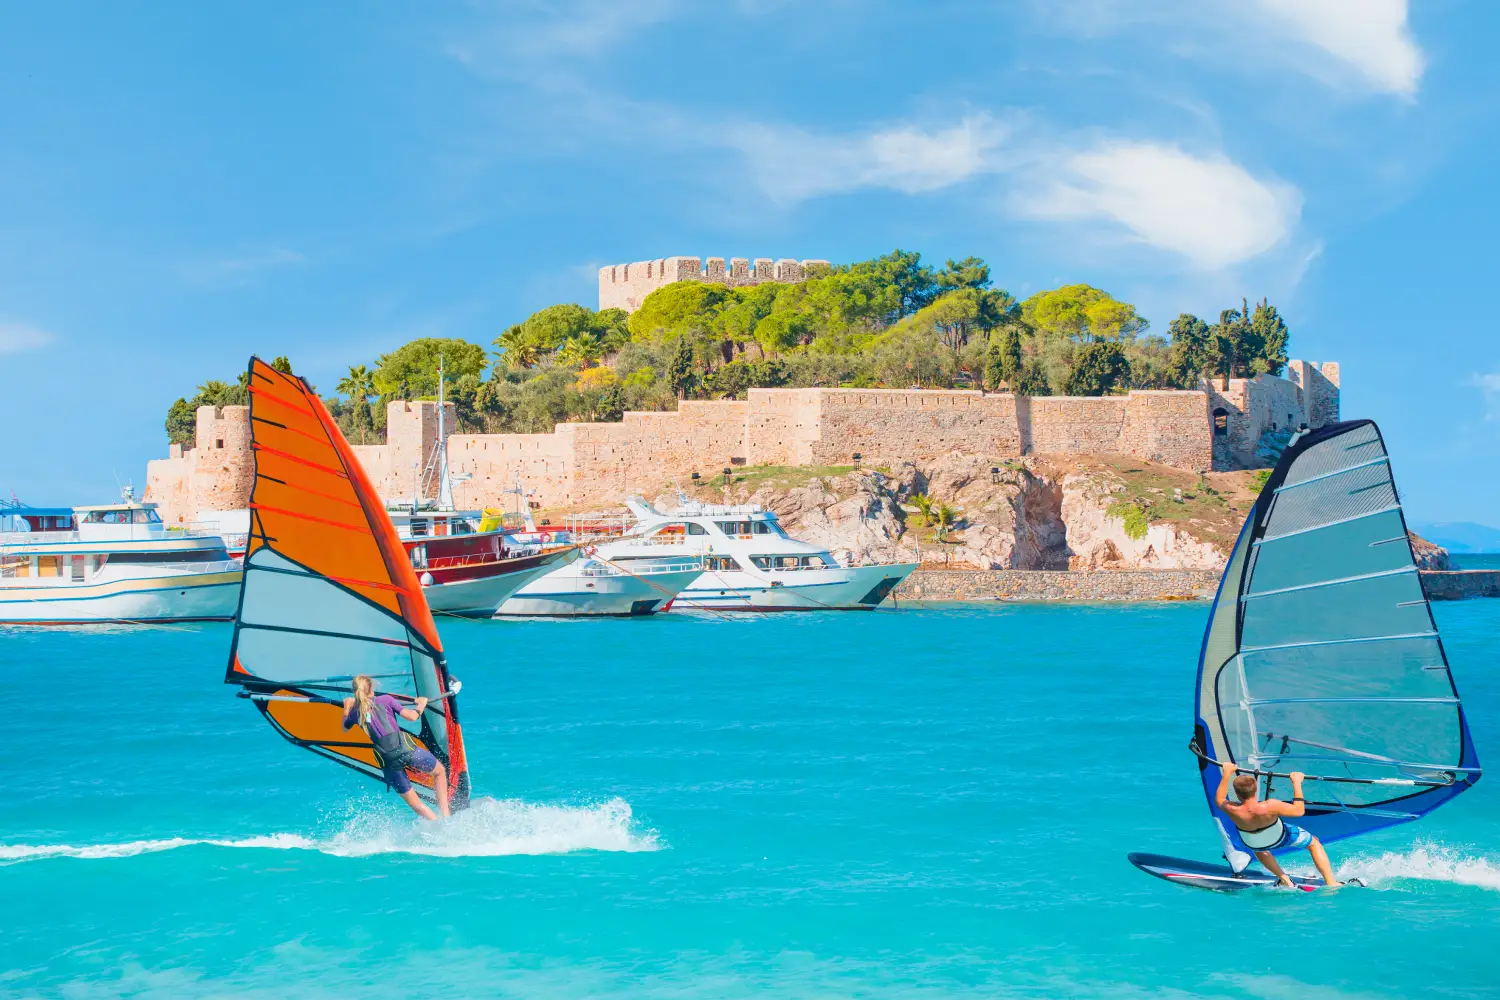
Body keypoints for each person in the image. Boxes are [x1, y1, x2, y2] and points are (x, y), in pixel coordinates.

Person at [342, 674, 450, 821]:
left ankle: (437, 824)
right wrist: (421, 704)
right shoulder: (386, 699)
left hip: (388, 761)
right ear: (371, 688)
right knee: (439, 772)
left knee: (417, 805)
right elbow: (412, 717)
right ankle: (446, 817)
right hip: (406, 750)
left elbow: (345, 727)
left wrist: (347, 706)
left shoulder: (355, 711)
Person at [1216, 761, 1337, 887]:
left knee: (1260, 849)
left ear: (1236, 794)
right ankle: (1331, 882)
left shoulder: (1232, 809)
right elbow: (1299, 810)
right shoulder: (1270, 805)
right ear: (1256, 789)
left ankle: (1283, 878)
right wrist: (1296, 783)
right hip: (1280, 838)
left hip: (1253, 843)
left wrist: (1226, 774)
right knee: (1314, 843)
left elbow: (1219, 799)